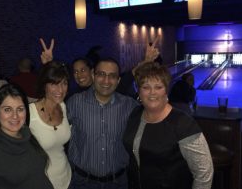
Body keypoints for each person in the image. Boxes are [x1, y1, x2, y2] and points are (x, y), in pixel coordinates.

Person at [123, 62, 213, 189]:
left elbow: (204, 173)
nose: (152, 92)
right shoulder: (135, 114)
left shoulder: (183, 123)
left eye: (158, 87)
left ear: (166, 90)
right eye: (146, 87)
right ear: (138, 91)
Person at [67, 58, 138, 189]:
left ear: (118, 80)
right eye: (101, 74)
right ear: (93, 75)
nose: (106, 81)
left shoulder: (130, 105)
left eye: (112, 76)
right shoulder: (75, 102)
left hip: (118, 182)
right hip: (83, 182)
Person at [29, 60, 71, 189]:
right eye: (54, 84)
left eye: (64, 83)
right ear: (44, 85)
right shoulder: (29, 113)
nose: (60, 89)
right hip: (40, 182)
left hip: (66, 178)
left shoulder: (63, 107)